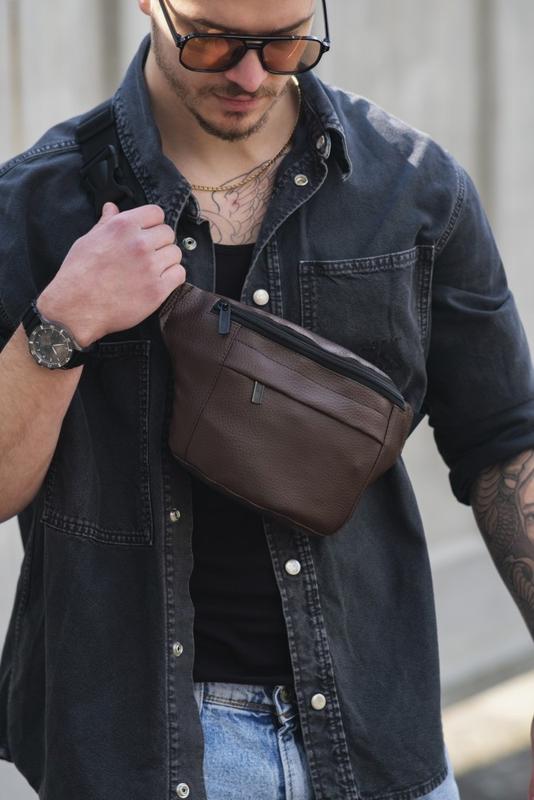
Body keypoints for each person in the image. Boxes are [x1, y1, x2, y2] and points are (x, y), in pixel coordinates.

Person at [0, 0, 533, 798]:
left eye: (285, 43)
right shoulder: (34, 204)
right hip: (137, 756)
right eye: (214, 41)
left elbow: (506, 443)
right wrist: (63, 322)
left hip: (376, 744)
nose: (250, 75)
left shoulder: (415, 189)